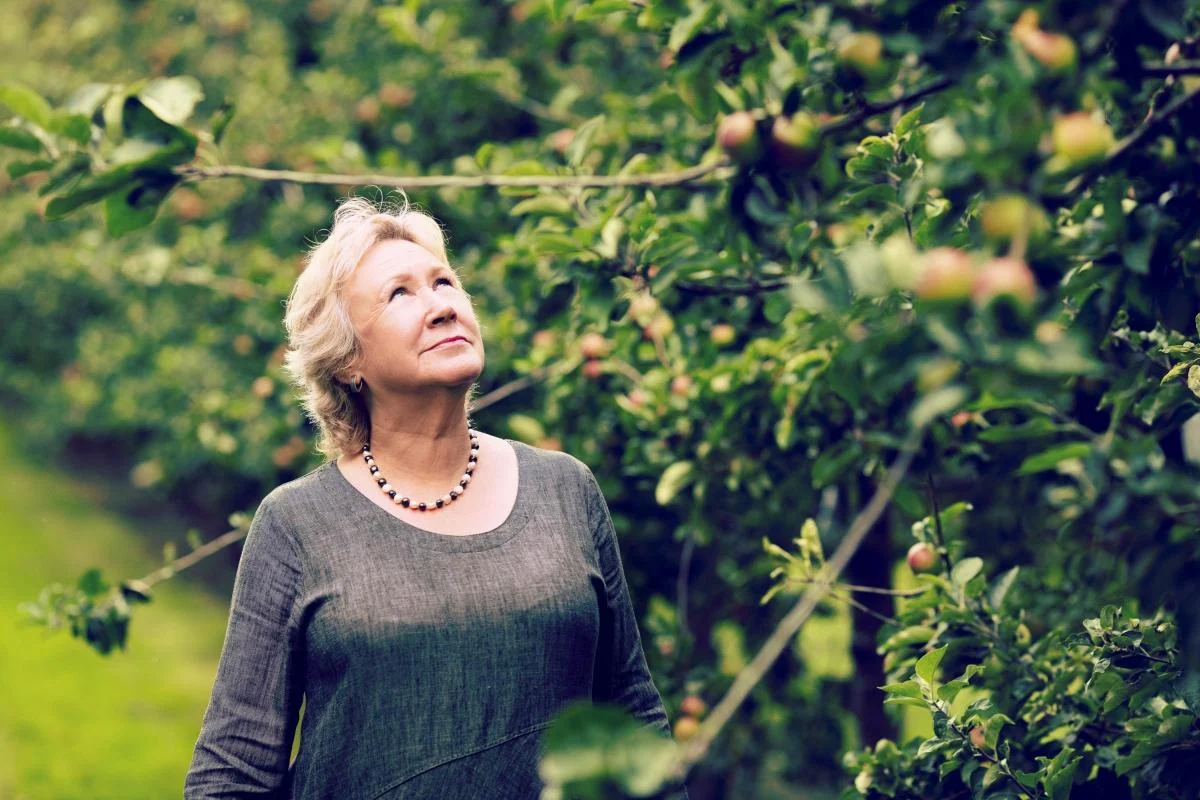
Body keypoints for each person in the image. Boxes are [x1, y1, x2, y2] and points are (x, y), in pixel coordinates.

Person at [183, 195, 689, 799]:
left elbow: (632, 712)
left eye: (445, 282)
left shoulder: (566, 489)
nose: (442, 306)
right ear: (347, 360)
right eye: (399, 294)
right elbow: (231, 773)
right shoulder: (297, 525)